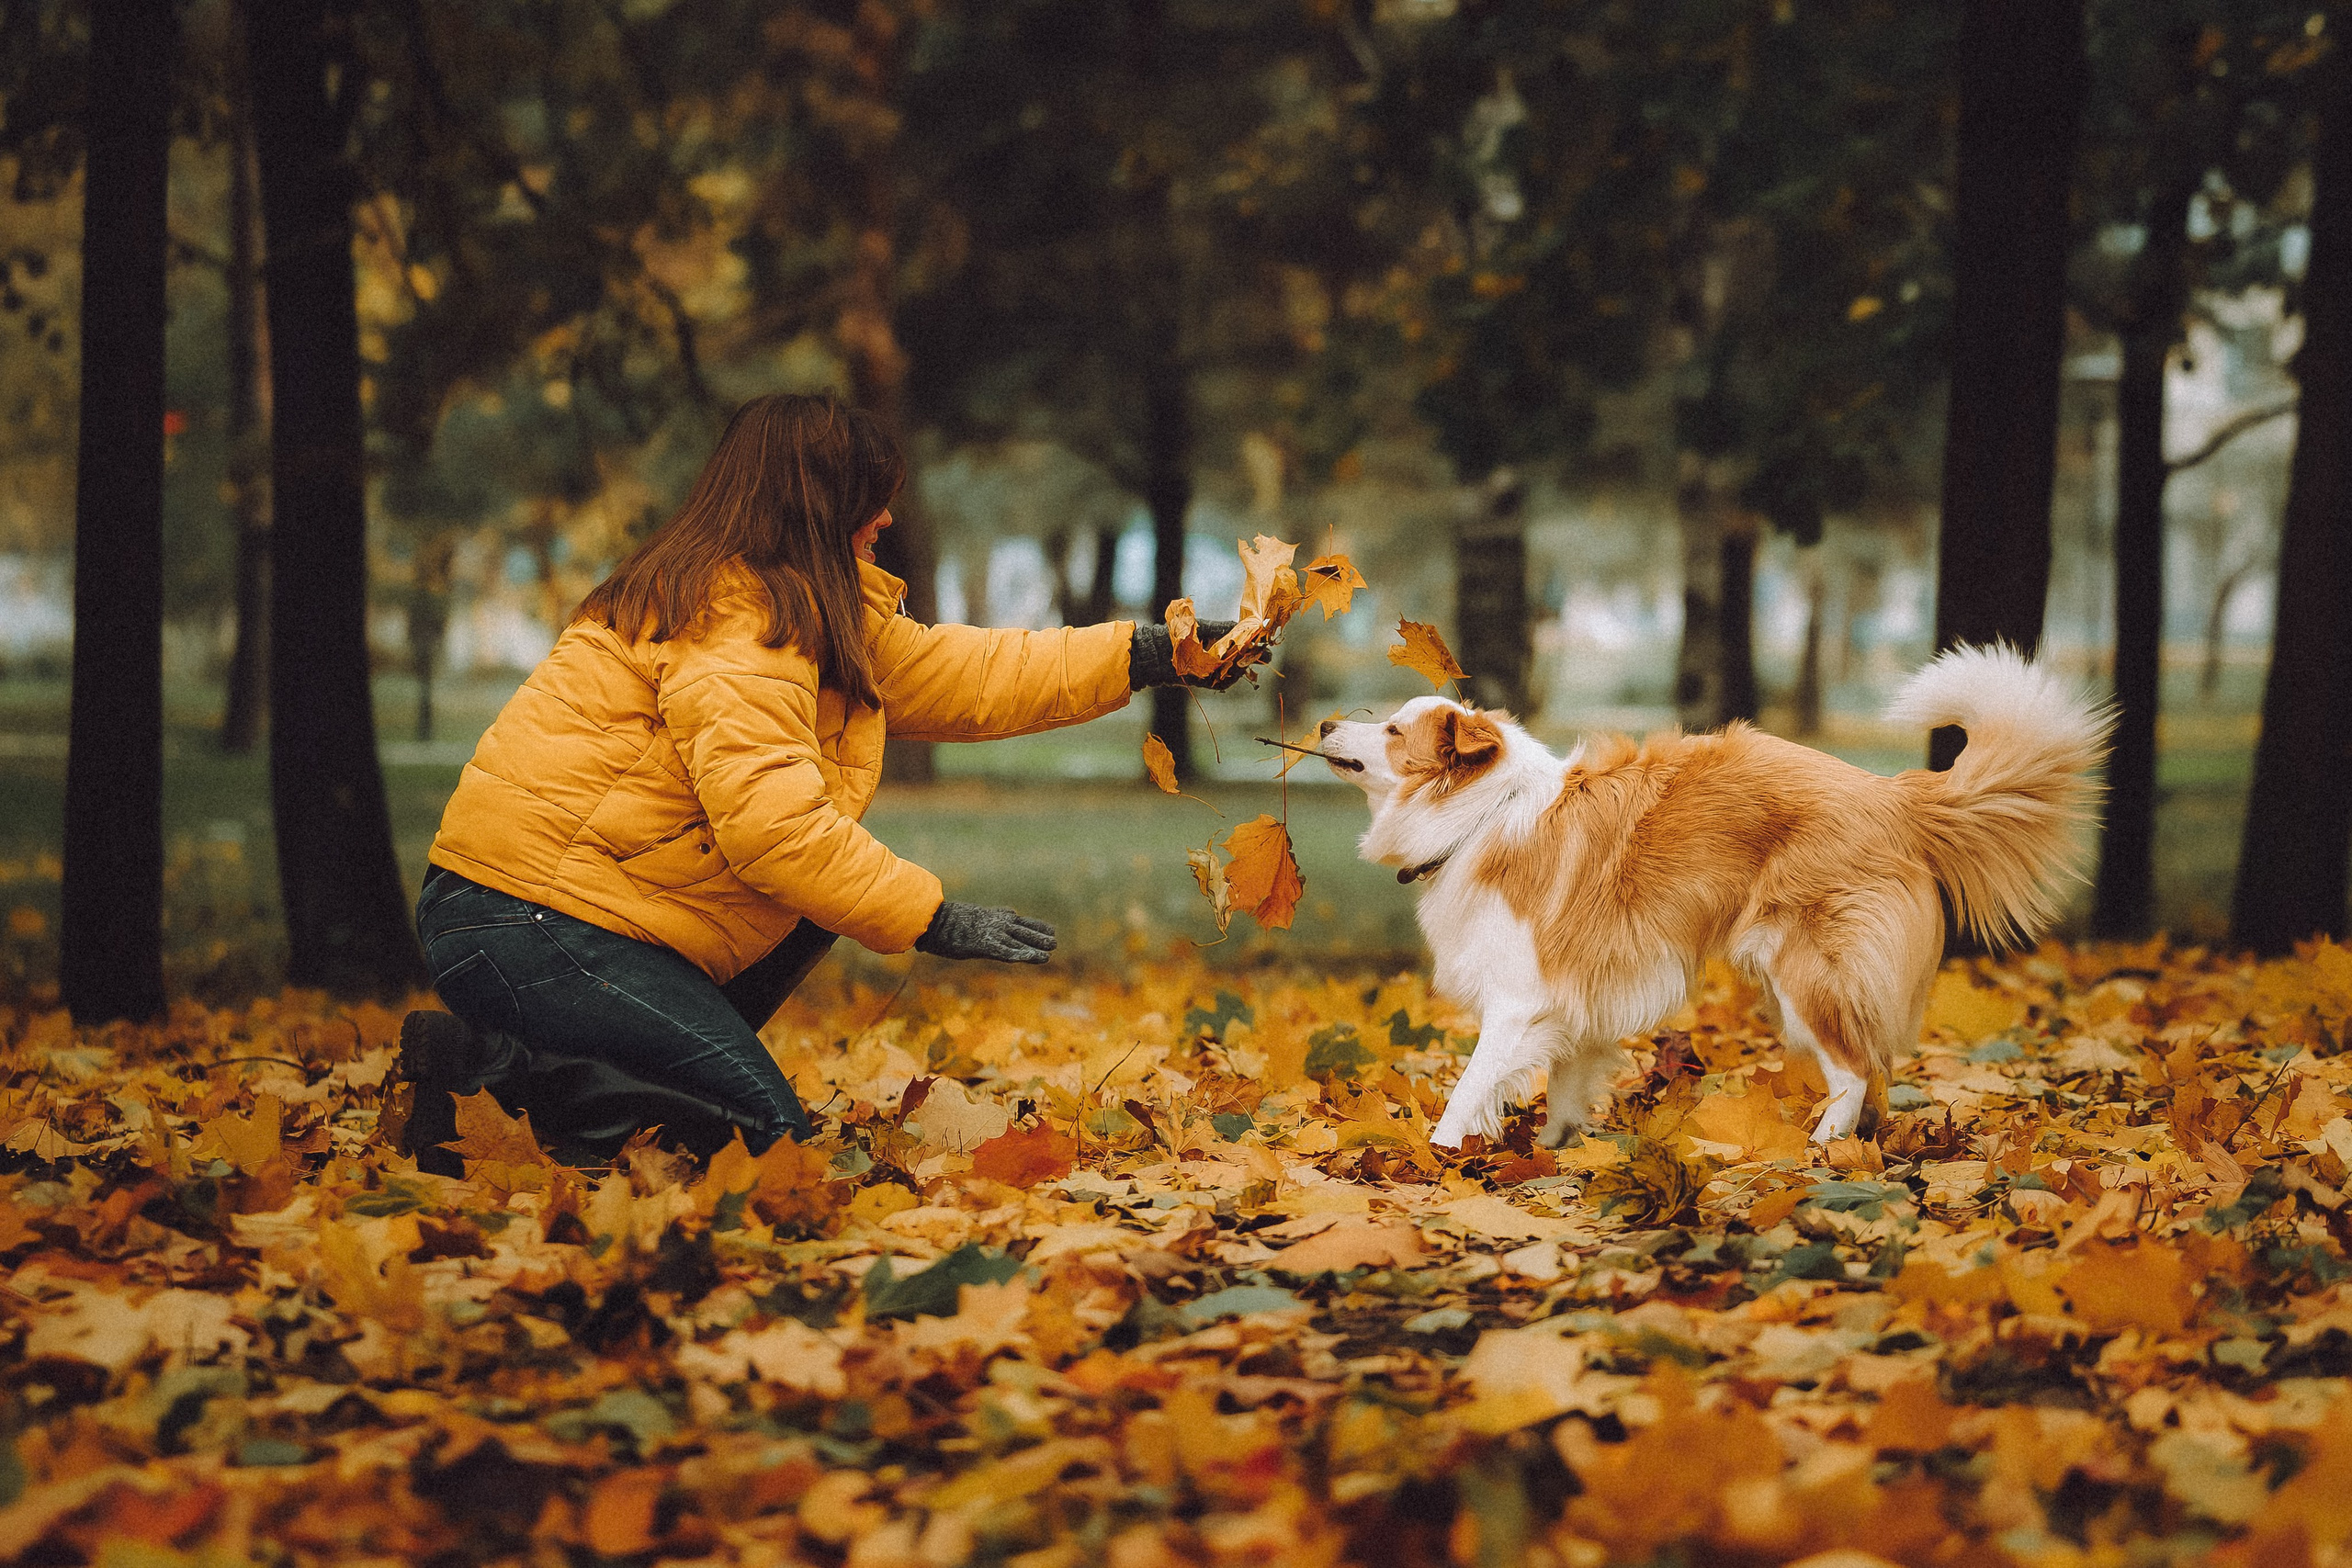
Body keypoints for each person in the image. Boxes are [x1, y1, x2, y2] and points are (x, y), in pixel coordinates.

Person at [391, 392, 1233, 1174]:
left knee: (724, 1113)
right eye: (872, 497)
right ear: (818, 503)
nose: (888, 518)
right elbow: (775, 830)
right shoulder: (736, 618)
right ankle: (482, 1073)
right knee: (769, 1148)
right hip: (525, 920)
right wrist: (934, 916)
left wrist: (1160, 651)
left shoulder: (806, 614)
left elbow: (983, 674)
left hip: (584, 918)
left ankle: (504, 1092)